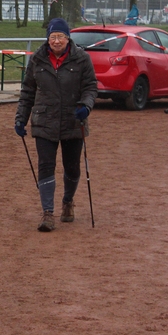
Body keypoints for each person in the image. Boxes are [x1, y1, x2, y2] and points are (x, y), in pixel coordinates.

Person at [15, 18, 98, 232]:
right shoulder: (37, 59)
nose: (56, 41)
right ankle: (48, 213)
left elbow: (90, 87)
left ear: (68, 38)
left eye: (61, 36)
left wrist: (86, 106)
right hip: (44, 120)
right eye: (53, 37)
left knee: (72, 166)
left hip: (73, 119)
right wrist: (21, 118)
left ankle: (68, 201)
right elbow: (28, 91)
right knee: (45, 165)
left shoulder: (82, 58)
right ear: (48, 39)